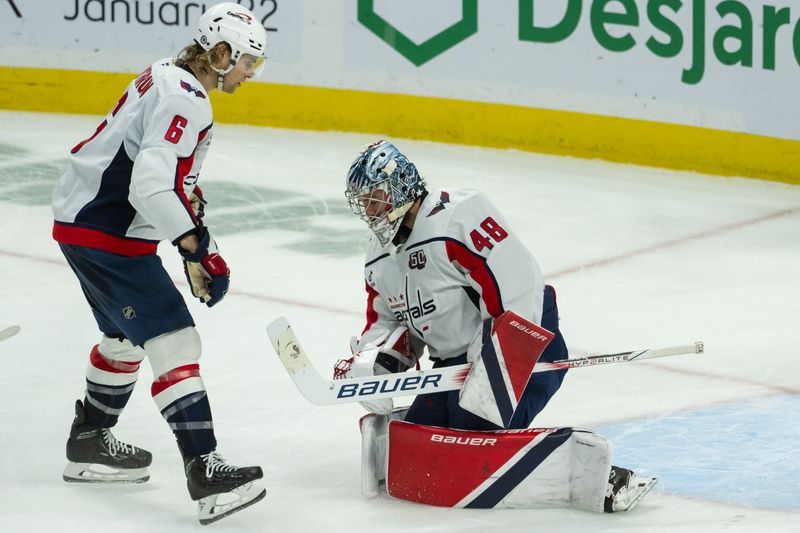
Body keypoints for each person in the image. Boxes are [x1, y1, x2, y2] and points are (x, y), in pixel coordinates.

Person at [336, 140, 654, 512]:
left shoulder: (458, 217)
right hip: (452, 364)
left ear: (401, 187)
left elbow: (521, 289)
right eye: (365, 204)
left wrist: (491, 362)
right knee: (419, 441)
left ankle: (599, 476)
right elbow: (387, 320)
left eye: (376, 198)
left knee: (472, 434)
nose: (371, 211)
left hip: (523, 340)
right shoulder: (378, 256)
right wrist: (376, 361)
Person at [51, 3, 267, 524]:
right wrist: (196, 247)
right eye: (246, 63)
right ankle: (205, 472)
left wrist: (190, 237)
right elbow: (150, 186)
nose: (248, 74)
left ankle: (89, 442)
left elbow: (162, 177)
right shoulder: (188, 100)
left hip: (84, 223)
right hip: (108, 233)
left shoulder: (166, 75)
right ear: (219, 54)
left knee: (124, 339)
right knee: (175, 340)